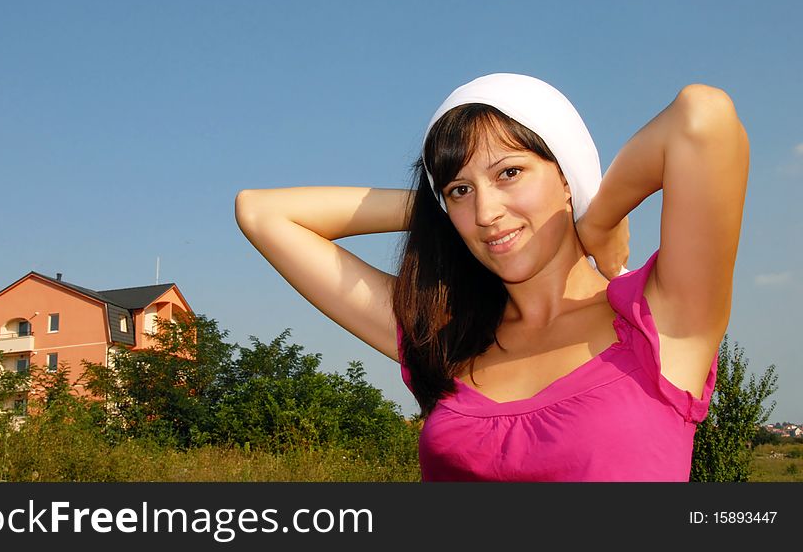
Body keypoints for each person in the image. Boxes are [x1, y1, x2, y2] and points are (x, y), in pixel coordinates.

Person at [234, 73, 749, 481]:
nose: (486, 213)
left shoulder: (659, 320)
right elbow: (261, 213)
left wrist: (599, 216)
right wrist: (437, 210)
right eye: (461, 190)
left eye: (509, 173)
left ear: (566, 176)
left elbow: (702, 117)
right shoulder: (446, 335)